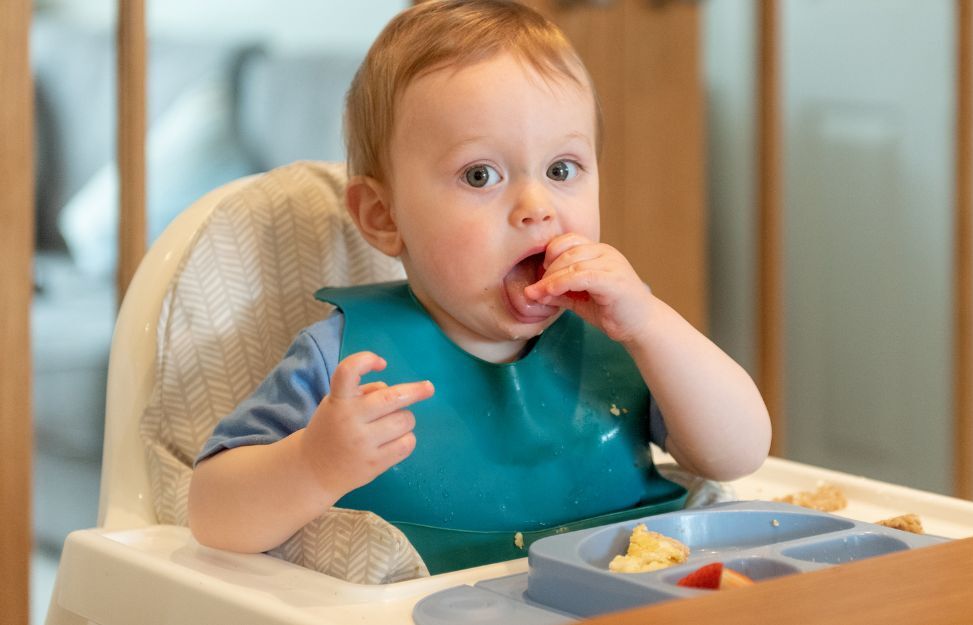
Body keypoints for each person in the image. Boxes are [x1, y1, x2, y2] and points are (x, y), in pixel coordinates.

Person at [188, 0, 771, 573]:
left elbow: (737, 454)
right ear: (384, 216)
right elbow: (212, 515)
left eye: (562, 170)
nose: (537, 207)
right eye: (480, 175)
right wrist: (313, 465)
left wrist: (651, 325)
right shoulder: (347, 364)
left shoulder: (624, 335)